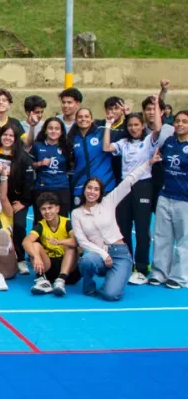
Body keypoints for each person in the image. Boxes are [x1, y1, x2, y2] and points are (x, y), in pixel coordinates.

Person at [74, 158, 156, 301]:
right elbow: (82, 241)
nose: (92, 192)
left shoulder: (109, 202)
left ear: (100, 192)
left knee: (111, 295)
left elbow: (129, 180)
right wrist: (104, 255)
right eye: (89, 188)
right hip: (99, 254)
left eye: (96, 189)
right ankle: (88, 283)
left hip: (119, 254)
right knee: (86, 260)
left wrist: (148, 163)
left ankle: (114, 277)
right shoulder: (77, 213)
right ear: (84, 190)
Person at [103, 104, 164, 285]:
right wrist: (108, 124)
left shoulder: (149, 141)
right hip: (125, 186)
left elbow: (158, 129)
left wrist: (156, 104)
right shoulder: (124, 143)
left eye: (137, 125)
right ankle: (126, 263)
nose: (133, 128)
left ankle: (142, 267)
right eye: (130, 125)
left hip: (143, 185)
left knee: (142, 228)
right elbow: (106, 147)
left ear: (143, 126)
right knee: (123, 227)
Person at [0, 124, 34, 275]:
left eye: (11, 136)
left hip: (15, 201)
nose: (7, 138)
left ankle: (20, 258)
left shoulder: (23, 158)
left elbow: (29, 181)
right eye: (5, 135)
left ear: (16, 139)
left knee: (19, 225)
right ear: (0, 136)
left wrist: (24, 202)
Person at [151, 110, 188, 289]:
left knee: (184, 239)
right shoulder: (170, 142)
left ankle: (180, 276)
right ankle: (159, 273)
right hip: (165, 195)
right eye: (178, 121)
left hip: (185, 199)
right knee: (162, 236)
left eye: (184, 122)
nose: (180, 124)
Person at [22, 192, 78, 296]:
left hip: (68, 268)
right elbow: (26, 241)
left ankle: (61, 281)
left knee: (71, 247)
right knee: (34, 246)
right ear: (40, 211)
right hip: (50, 267)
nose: (47, 212)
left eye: (50, 208)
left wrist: (59, 242)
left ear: (57, 209)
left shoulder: (67, 223)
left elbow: (75, 242)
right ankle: (42, 281)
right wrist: (36, 256)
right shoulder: (41, 225)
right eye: (43, 209)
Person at [70, 108, 118, 204]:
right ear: (75, 120)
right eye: (80, 117)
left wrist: (125, 115)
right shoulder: (71, 138)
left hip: (105, 185)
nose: (83, 119)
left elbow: (127, 132)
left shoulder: (103, 132)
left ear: (92, 119)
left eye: (86, 116)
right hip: (80, 187)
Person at [29, 117, 74, 217]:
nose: (53, 131)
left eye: (57, 129)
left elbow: (70, 165)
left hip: (62, 187)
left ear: (61, 131)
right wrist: (40, 163)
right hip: (42, 187)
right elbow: (30, 164)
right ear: (45, 130)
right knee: (41, 220)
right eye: (50, 128)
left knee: (62, 220)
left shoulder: (67, 146)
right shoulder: (37, 145)